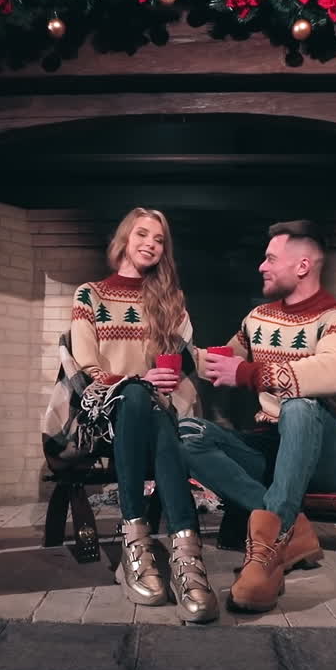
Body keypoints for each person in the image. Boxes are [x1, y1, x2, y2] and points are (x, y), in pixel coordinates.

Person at [179, 220, 336, 613]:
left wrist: (250, 374)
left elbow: (333, 372)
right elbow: (221, 362)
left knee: (299, 404)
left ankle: (266, 553)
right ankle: (288, 529)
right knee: (186, 432)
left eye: (269, 259)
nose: (261, 267)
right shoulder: (257, 318)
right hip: (274, 447)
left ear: (302, 266)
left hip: (332, 458)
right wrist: (174, 350)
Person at [66, 207, 218, 624]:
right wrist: (135, 381)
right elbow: (85, 365)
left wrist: (238, 366)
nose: (151, 243)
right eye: (142, 234)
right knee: (136, 394)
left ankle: (147, 546)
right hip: (104, 410)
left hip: (155, 410)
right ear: (124, 239)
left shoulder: (170, 299)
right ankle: (183, 555)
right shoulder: (90, 294)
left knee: (151, 407)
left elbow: (189, 357)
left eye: (159, 239)